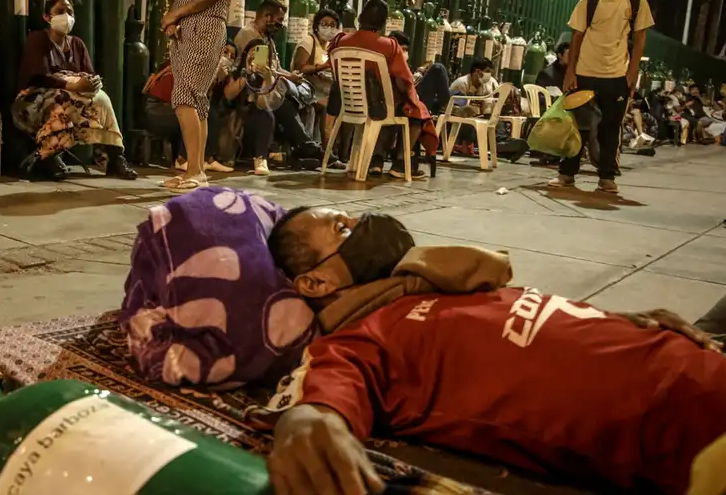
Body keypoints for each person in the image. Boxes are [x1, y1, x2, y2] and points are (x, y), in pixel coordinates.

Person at [263, 206, 726, 495]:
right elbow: (326, 398)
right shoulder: (359, 339)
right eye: (342, 229)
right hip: (688, 417)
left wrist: (620, 319)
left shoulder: (432, 287)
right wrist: (304, 422)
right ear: (316, 282)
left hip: (687, 351)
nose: (363, 224)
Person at [558, 0, 655, 194]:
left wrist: (632, 74)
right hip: (584, 73)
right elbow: (577, 36)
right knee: (577, 126)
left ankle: (607, 178)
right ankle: (567, 173)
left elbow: (640, 40)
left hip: (616, 76)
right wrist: (571, 72)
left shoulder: (636, 2)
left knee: (610, 129)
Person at [12, 0, 137, 180]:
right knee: (66, 99)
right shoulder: (38, 39)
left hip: (72, 95)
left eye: (70, 12)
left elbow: (88, 73)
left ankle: (116, 156)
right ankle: (48, 155)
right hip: (33, 100)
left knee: (102, 98)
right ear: (47, 17)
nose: (66, 16)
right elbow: (37, 77)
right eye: (60, 11)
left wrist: (93, 83)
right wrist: (72, 86)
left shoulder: (77, 44)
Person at [160, 0, 240, 192]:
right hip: (187, 31)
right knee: (197, 102)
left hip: (205, 27)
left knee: (184, 97)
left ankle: (194, 169)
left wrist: (177, 14)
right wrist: (172, 21)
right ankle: (196, 170)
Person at [328, 0, 438, 179]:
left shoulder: (340, 41)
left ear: (361, 17)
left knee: (392, 107)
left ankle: (376, 161)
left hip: (349, 104)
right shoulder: (389, 45)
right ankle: (400, 164)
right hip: (378, 106)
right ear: (383, 22)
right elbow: (404, 80)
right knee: (413, 110)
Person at [231, 0, 324, 176]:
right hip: (252, 90)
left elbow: (274, 68)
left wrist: (290, 76)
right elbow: (260, 70)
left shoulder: (267, 38)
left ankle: (306, 149)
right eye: (280, 20)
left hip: (269, 86)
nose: (281, 25)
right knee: (288, 105)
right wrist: (285, 78)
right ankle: (309, 148)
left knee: (295, 104)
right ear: (267, 17)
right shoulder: (251, 36)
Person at [143, 42, 237, 173]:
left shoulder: (215, 72)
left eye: (232, 56)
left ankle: (207, 159)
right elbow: (192, 96)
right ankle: (182, 160)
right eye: (225, 52)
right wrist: (213, 77)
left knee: (209, 113)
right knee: (194, 112)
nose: (227, 57)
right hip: (157, 108)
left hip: (174, 107)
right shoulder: (194, 64)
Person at [291, 9, 340, 148]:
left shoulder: (330, 47)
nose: (328, 28)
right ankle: (325, 151)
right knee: (329, 107)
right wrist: (322, 66)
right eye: (325, 24)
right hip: (308, 88)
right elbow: (299, 68)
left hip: (324, 90)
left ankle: (339, 152)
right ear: (316, 26)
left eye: (333, 25)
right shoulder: (308, 41)